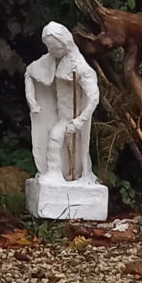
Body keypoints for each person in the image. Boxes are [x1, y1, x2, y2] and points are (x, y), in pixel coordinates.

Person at [24, 22, 99, 183]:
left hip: (73, 118)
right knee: (56, 139)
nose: (53, 52)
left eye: (57, 48)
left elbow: (93, 97)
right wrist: (32, 101)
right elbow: (29, 73)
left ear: (66, 44)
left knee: (72, 149)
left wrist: (80, 120)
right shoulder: (49, 60)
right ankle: (55, 173)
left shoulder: (79, 67)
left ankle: (73, 175)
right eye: (50, 48)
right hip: (61, 116)